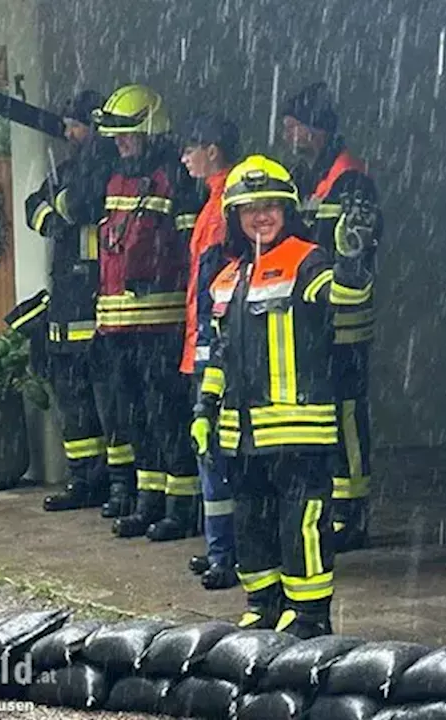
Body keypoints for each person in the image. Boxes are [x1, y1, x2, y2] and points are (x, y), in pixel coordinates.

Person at [191, 154, 373, 637]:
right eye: (250, 207)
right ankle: (263, 604)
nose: (261, 215)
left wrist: (354, 259)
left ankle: (309, 615)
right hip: (241, 437)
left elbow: (346, 297)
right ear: (233, 216)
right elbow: (218, 359)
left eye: (271, 205)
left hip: (300, 432)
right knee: (251, 523)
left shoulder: (306, 258)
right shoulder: (225, 278)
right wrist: (203, 411)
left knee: (303, 524)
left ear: (288, 209)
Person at [67, 84, 206, 542]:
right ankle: (148, 503)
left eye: (128, 134)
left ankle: (180, 507)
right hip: (117, 325)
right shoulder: (111, 177)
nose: (121, 143)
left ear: (152, 130)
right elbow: (82, 210)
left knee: (169, 419)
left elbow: (193, 255)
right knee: (135, 419)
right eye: (115, 136)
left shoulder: (175, 181)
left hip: (162, 326)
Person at [7, 89, 137, 515]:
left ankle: (118, 485)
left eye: (75, 125)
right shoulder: (69, 169)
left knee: (111, 407)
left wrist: (61, 206)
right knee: (73, 403)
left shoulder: (110, 170)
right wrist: (52, 219)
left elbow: (80, 204)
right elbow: (33, 204)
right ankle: (83, 478)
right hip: (65, 308)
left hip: (97, 304)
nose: (68, 132)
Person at [280, 82, 383, 553]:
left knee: (348, 417)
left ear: (314, 130)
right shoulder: (311, 177)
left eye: (293, 126)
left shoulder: (351, 180)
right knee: (328, 414)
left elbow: (358, 249)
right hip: (315, 321)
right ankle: (332, 503)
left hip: (345, 320)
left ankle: (353, 512)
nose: (287, 134)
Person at [178, 114, 241, 589]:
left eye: (190, 148)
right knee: (212, 449)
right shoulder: (215, 203)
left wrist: (204, 347)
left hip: (210, 345)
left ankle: (225, 552)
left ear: (212, 150)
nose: (184, 158)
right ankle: (220, 546)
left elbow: (212, 287)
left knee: (213, 448)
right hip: (205, 341)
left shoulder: (221, 207)